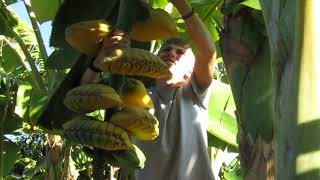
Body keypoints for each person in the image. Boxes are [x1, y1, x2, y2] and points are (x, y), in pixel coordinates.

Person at [80, 0, 216, 179]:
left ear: (191, 68)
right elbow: (85, 94)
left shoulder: (195, 93)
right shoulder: (138, 97)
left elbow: (208, 52)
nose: (171, 53)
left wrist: (182, 5)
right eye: (166, 50)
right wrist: (98, 64)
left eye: (180, 52)